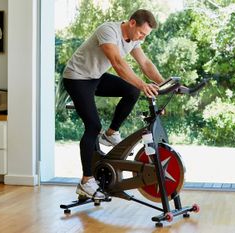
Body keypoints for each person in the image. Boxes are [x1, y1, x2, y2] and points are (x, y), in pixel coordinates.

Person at [63, 9, 165, 199]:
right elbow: (117, 63)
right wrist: (143, 84)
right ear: (132, 23)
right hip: (77, 78)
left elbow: (145, 63)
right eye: (141, 33)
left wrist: (163, 83)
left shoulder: (135, 39)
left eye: (145, 35)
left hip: (95, 77)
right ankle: (86, 182)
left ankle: (111, 134)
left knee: (131, 91)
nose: (142, 37)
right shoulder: (108, 30)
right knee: (93, 126)